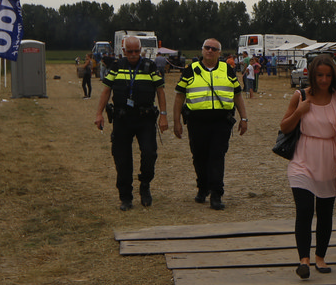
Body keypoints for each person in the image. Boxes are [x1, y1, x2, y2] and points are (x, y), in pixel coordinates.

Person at [279, 54, 336, 279]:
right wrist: (299, 112)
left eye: (328, 75)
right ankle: (304, 260)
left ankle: (320, 256)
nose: (324, 80)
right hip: (302, 158)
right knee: (305, 208)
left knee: (325, 211)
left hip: (329, 158)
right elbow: (284, 127)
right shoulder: (300, 96)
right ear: (312, 75)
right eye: (319, 75)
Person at [172, 38, 248, 210]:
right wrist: (176, 121)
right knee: (199, 156)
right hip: (197, 122)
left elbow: (237, 95)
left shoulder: (227, 69)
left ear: (219, 53)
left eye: (214, 49)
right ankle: (202, 187)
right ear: (202, 50)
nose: (210, 51)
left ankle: (216, 194)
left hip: (221, 122)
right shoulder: (190, 70)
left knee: (217, 156)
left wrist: (244, 118)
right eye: (207, 48)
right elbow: (179, 96)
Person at [93, 36, 168, 211]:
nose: (133, 54)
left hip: (145, 119)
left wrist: (163, 116)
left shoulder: (150, 67)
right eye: (130, 51)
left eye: (136, 51)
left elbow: (160, 91)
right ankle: (125, 197)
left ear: (140, 50)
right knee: (122, 159)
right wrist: (99, 113)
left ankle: (145, 185)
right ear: (124, 51)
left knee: (149, 154)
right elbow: (106, 90)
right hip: (122, 119)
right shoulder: (117, 66)